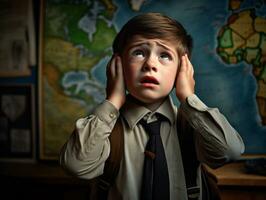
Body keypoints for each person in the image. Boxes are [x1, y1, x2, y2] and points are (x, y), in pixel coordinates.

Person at [60, 12, 245, 200]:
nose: (150, 64)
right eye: (139, 52)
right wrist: (113, 100)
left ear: (182, 69)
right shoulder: (105, 129)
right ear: (118, 65)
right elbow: (76, 166)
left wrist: (188, 96)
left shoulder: (192, 125)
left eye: (164, 55)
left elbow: (229, 151)